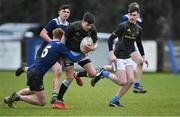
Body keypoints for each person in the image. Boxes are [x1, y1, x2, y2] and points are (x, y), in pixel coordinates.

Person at [15, 4, 82, 103]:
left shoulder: (68, 26)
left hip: (56, 52)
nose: (66, 13)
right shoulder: (54, 22)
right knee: (55, 71)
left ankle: (25, 70)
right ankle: (54, 95)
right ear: (59, 12)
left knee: (48, 75)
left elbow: (67, 41)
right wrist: (53, 44)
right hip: (46, 51)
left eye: (68, 12)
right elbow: (42, 33)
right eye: (64, 11)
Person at [4, 28, 85, 108]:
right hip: (37, 74)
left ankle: (11, 97)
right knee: (42, 102)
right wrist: (84, 53)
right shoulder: (60, 46)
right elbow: (74, 58)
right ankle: (17, 97)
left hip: (33, 70)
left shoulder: (50, 44)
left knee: (32, 90)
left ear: (53, 36)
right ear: (62, 37)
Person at [91, 5, 148, 107]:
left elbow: (139, 43)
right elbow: (110, 39)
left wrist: (143, 57)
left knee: (131, 80)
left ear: (138, 15)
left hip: (128, 57)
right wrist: (111, 53)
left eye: (134, 15)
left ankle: (114, 100)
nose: (132, 17)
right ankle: (104, 73)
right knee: (122, 82)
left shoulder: (139, 28)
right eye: (130, 14)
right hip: (119, 57)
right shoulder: (123, 25)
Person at [52, 12, 98, 109]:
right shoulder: (73, 26)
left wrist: (93, 48)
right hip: (69, 53)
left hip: (81, 54)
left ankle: (77, 74)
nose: (89, 27)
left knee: (93, 74)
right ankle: (58, 101)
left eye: (91, 25)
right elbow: (64, 38)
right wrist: (61, 52)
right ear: (83, 21)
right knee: (69, 78)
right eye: (87, 25)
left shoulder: (92, 28)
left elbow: (95, 41)